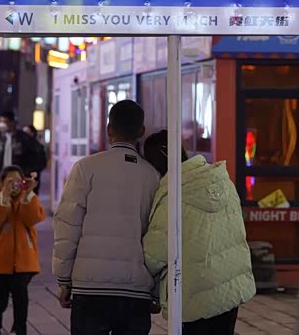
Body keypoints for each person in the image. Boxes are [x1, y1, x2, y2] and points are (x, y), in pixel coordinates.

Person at [53, 100, 160, 335]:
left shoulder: (85, 168)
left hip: (89, 289)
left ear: (109, 129)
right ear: (142, 131)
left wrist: (64, 279)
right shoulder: (152, 176)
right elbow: (158, 237)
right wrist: (156, 291)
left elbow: (67, 226)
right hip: (135, 291)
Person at [142, 130, 256, 335]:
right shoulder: (223, 182)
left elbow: (154, 253)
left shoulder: (173, 196)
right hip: (230, 285)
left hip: (196, 293)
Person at [0, 166, 45, 335]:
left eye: (18, 181)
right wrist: (4, 196)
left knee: (20, 296)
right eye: (10, 181)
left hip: (23, 261)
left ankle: (19, 328)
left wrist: (28, 194)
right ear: (2, 183)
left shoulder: (28, 200)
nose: (14, 185)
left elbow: (33, 218)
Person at [21, 125, 47, 196]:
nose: (23, 134)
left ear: (32, 133)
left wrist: (31, 171)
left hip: (32, 177)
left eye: (26, 132)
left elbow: (43, 163)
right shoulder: (20, 145)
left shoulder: (38, 147)